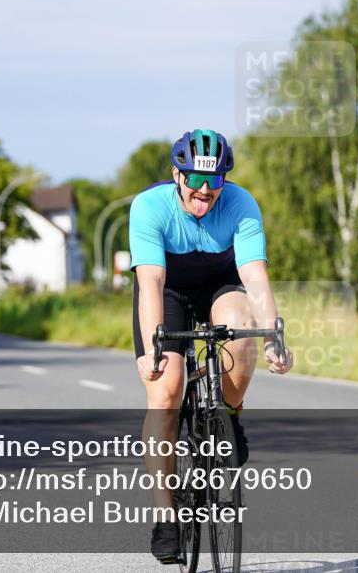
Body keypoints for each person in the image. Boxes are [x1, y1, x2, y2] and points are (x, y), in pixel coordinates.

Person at [129, 129, 293, 562]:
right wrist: (152, 349)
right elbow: (151, 282)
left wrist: (274, 333)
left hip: (220, 285)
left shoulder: (241, 204)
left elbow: (254, 275)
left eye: (215, 181)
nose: (205, 191)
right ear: (176, 174)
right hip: (168, 292)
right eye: (196, 180)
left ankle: (228, 413)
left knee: (242, 333)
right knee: (166, 392)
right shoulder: (148, 207)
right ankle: (167, 516)